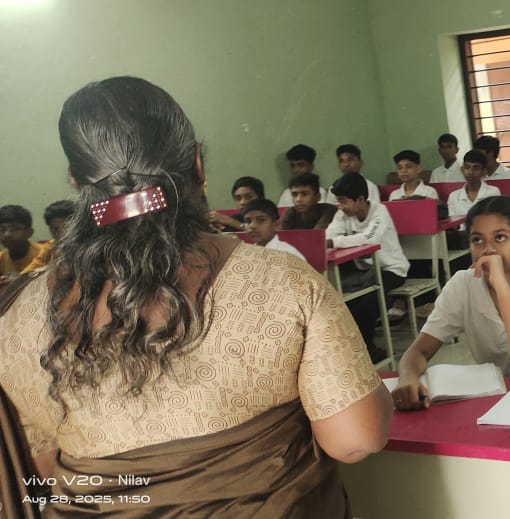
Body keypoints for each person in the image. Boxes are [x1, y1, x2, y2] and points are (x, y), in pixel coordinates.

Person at [0, 76, 390, 516]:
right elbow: (356, 440)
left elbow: (42, 469)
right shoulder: (280, 280)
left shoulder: (15, 315)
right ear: (198, 166)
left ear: (76, 179)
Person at [392, 197, 510, 408]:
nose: (488, 249)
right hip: (494, 395)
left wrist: (500, 286)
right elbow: (418, 351)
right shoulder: (463, 284)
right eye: (477, 240)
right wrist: (408, 378)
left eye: (500, 237)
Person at [327, 173, 409, 357]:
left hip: (391, 269)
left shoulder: (380, 212)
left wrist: (334, 242)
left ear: (360, 199)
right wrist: (330, 241)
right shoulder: (342, 214)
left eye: (344, 201)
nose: (340, 206)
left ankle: (369, 350)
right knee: (345, 302)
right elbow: (328, 235)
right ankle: (354, 349)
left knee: (368, 303)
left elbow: (369, 238)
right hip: (364, 270)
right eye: (338, 201)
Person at [18, 200, 76, 274]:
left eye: (66, 227)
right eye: (55, 229)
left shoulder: (88, 247)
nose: (61, 232)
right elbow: (33, 268)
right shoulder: (50, 247)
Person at [447, 150, 501, 217]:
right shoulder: (454, 196)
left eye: (476, 168)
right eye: (467, 167)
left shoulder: (493, 192)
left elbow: (496, 218)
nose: (470, 172)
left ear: (484, 171)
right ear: (462, 170)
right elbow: (453, 222)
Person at [0, 205, 44, 279]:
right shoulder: (1, 258)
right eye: (2, 229)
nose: (7, 234)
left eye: (14, 229)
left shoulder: (44, 254)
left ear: (30, 232)